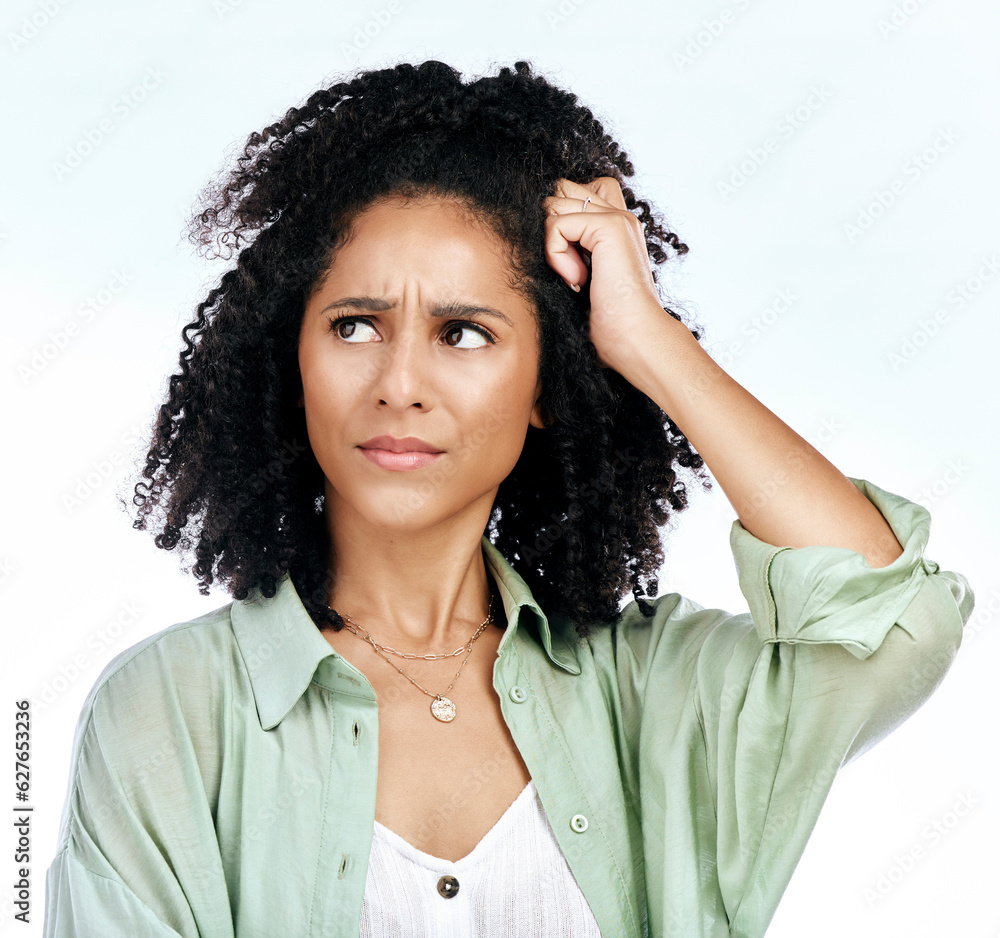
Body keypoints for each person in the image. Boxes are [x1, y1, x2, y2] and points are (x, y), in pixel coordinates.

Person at [43, 59, 973, 938]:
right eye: (355, 324)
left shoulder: (645, 695)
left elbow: (893, 622)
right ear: (293, 363)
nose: (400, 381)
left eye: (464, 333)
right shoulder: (168, 712)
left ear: (546, 387)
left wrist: (648, 341)